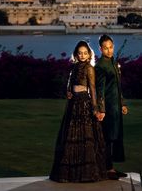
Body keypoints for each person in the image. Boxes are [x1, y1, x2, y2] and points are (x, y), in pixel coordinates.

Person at [49, 40, 107, 183]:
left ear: (89, 55)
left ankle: (86, 174)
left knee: (84, 136)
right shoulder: (74, 67)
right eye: (80, 53)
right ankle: (69, 174)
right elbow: (70, 82)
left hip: (84, 103)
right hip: (73, 103)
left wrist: (95, 108)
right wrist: (68, 91)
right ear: (76, 54)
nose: (82, 55)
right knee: (70, 136)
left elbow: (92, 89)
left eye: (85, 53)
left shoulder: (89, 68)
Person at [95, 34, 129, 180]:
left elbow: (118, 86)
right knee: (107, 138)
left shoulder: (113, 63)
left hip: (116, 108)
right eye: (105, 48)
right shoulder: (101, 65)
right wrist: (101, 109)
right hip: (107, 108)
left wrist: (122, 103)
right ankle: (107, 169)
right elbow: (99, 89)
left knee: (115, 137)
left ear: (113, 46)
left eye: (110, 47)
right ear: (100, 49)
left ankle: (111, 168)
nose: (109, 51)